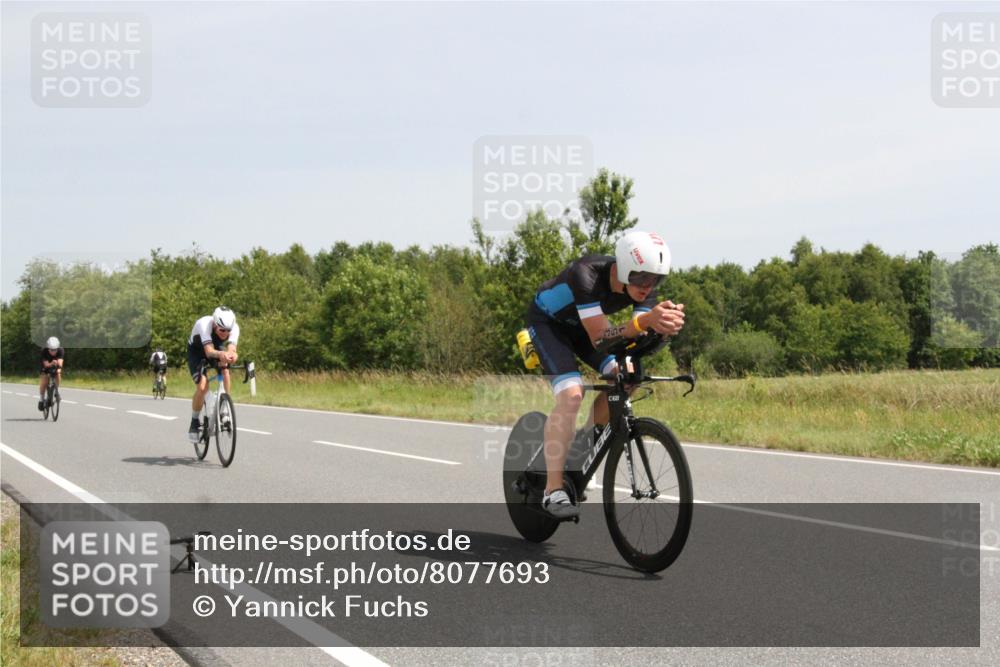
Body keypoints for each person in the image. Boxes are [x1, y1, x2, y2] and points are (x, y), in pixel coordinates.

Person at [525, 231, 686, 518]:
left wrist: (661, 329)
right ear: (623, 267)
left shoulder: (646, 288)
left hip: (588, 329)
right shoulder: (585, 275)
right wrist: (646, 321)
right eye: (640, 278)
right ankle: (553, 490)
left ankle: (581, 447)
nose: (647, 287)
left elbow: (635, 335)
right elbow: (601, 337)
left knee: (627, 378)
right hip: (551, 325)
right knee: (572, 396)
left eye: (656, 280)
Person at [186, 306, 239, 443]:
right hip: (197, 351)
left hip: (215, 348)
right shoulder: (204, 324)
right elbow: (209, 351)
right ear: (215, 324)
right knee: (203, 386)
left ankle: (224, 407)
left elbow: (232, 348)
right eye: (222, 330)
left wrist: (232, 356)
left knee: (225, 369)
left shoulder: (234, 327)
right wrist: (222, 354)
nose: (225, 334)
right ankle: (194, 421)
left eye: (228, 331)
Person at [39, 336, 64, 411]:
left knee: (58, 373)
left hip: (55, 365)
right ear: (48, 348)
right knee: (44, 381)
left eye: (55, 350)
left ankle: (56, 391)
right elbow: (46, 365)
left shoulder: (61, 350)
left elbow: (60, 363)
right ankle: (41, 399)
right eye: (51, 350)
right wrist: (51, 363)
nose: (53, 352)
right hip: (45, 366)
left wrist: (58, 367)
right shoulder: (44, 350)